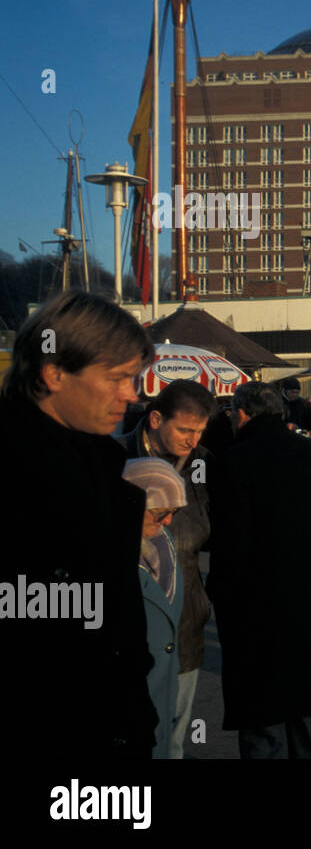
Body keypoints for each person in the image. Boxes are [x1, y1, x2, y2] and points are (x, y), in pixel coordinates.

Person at [0, 290, 158, 758]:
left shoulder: (98, 463)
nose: (132, 395)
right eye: (117, 378)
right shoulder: (21, 475)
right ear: (54, 374)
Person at [207, 381, 311, 759]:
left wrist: (220, 593)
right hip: (303, 592)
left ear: (242, 413)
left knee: (262, 706)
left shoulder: (235, 461)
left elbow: (228, 539)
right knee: (305, 701)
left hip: (251, 600)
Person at [114, 378, 217, 759]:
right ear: (156, 418)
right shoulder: (114, 457)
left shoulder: (205, 464)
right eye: (185, 430)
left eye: (200, 431)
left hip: (185, 616)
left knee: (173, 737)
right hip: (126, 622)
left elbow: (216, 532)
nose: (193, 440)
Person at [122, 457, 188, 760]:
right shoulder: (102, 553)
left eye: (173, 513)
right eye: (160, 513)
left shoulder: (164, 543)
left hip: (163, 688)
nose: (168, 521)